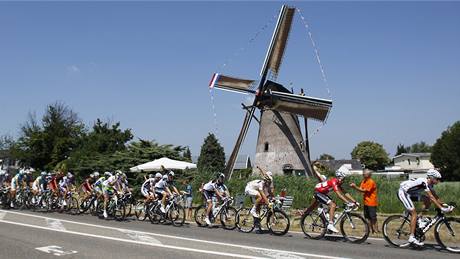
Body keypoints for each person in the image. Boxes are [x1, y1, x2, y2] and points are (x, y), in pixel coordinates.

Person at [397, 169, 453, 246]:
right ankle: (412, 238)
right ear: (432, 178)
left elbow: (435, 197)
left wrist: (446, 205)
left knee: (427, 200)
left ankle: (419, 218)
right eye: (437, 179)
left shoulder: (430, 184)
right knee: (414, 213)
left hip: (411, 193)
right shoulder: (424, 182)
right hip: (403, 192)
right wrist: (441, 208)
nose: (438, 181)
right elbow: (432, 197)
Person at [312, 165, 359, 233]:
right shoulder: (334, 181)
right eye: (344, 177)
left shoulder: (339, 182)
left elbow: (345, 193)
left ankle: (326, 219)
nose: (345, 179)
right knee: (333, 205)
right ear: (341, 176)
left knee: (335, 206)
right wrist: (348, 202)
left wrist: (355, 201)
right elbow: (339, 195)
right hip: (317, 192)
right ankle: (330, 224)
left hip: (323, 193)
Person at [350, 169, 379, 234]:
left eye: (364, 173)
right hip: (366, 202)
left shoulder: (371, 182)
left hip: (372, 202)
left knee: (373, 217)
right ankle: (368, 230)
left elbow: (364, 191)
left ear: (368, 175)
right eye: (363, 173)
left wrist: (355, 187)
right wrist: (354, 187)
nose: (363, 174)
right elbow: (361, 189)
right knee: (367, 217)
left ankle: (376, 230)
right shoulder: (364, 181)